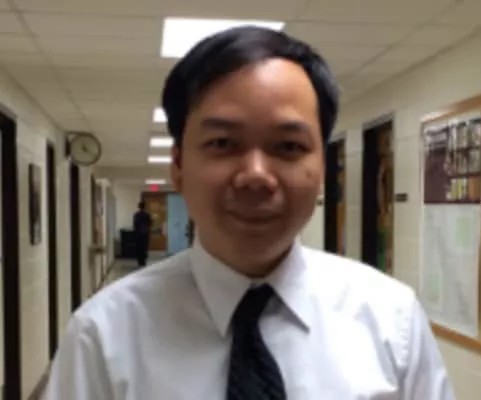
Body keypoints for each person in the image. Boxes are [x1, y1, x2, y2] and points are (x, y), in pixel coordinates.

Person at [43, 26, 455, 399]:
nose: (256, 176)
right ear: (179, 166)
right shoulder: (104, 335)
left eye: (288, 146)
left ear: (323, 170)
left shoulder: (391, 322)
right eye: (223, 143)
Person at [133, 201, 152, 267]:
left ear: (139, 207)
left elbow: (135, 224)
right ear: (144, 207)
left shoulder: (136, 215)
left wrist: (136, 232)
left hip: (138, 233)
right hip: (145, 232)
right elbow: (150, 223)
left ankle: (139, 261)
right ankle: (143, 261)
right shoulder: (147, 215)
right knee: (144, 247)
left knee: (139, 247)